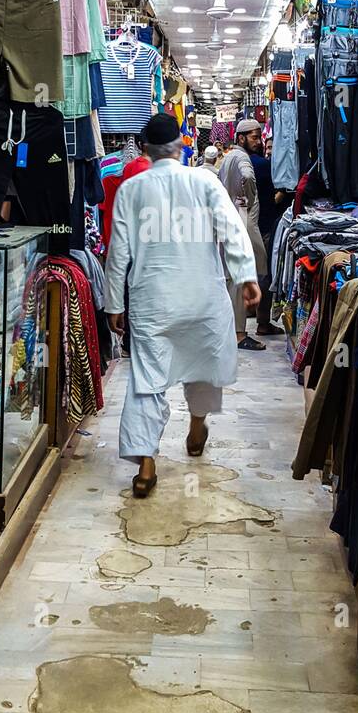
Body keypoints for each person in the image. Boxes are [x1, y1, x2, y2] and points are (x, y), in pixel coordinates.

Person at [104, 113, 260, 498]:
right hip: (203, 297)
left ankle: (146, 467)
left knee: (146, 380)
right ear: (180, 146)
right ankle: (195, 428)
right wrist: (246, 276)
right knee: (202, 367)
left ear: (143, 150)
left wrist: (112, 303)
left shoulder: (132, 189)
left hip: (152, 301)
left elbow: (118, 252)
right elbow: (232, 229)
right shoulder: (204, 180)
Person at [218, 118, 269, 350]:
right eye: (254, 137)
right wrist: (247, 198)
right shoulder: (242, 158)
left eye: (259, 137)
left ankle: (243, 326)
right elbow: (247, 176)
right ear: (241, 138)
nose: (258, 142)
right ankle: (240, 334)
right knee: (246, 274)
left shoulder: (228, 157)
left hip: (231, 221)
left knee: (235, 276)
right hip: (244, 222)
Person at [250, 135, 284, 338]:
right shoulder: (263, 165)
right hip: (264, 226)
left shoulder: (234, 161)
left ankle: (248, 314)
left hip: (249, 225)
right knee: (265, 273)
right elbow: (273, 195)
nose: (265, 148)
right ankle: (263, 322)